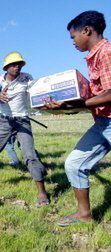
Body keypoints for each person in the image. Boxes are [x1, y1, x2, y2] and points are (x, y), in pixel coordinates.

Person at [44, 11, 111, 226]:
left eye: (73, 37)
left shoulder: (106, 52)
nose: (72, 42)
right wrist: (64, 107)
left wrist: (78, 104)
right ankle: (84, 215)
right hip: (102, 123)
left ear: (87, 31)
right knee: (74, 164)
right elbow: (93, 99)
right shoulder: (93, 58)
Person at [0, 52, 49, 206]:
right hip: (5, 121)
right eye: (14, 64)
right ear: (6, 67)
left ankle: (42, 193)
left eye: (19, 64)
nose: (17, 67)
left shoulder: (27, 78)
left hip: (22, 121)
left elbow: (36, 93)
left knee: (29, 155)